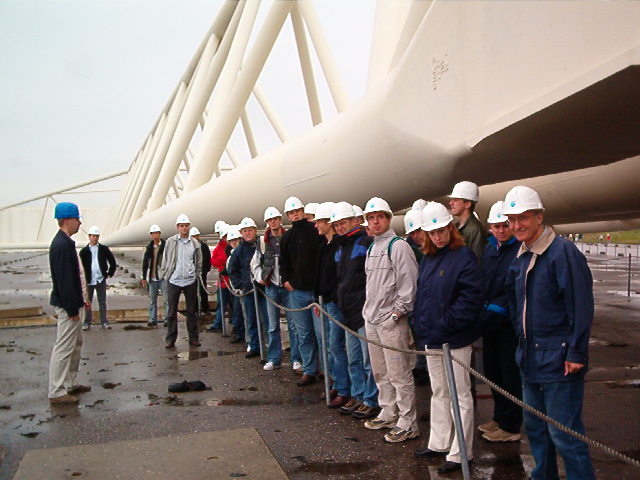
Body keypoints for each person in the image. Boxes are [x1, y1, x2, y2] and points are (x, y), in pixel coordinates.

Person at [504, 186, 596, 480]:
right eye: (512, 219)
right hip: (530, 358)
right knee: (536, 430)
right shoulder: (522, 255)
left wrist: (576, 352)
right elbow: (516, 304)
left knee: (565, 435)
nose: (516, 225)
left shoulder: (562, 253)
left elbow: (580, 305)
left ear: (539, 217)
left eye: (523, 217)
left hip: (559, 362)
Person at [413, 201, 483, 474]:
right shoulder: (429, 258)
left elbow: (470, 299)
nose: (437, 236)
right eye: (432, 233)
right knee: (440, 391)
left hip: (455, 339)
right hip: (432, 337)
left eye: (441, 230)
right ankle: (439, 442)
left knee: (460, 395)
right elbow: (423, 297)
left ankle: (461, 451)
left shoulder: (464, 257)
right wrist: (421, 325)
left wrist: (446, 324)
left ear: (450, 229)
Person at [362, 197, 419, 443]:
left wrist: (397, 313)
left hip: (391, 320)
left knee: (399, 373)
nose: (375, 222)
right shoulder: (372, 248)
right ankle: (388, 411)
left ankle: (408, 422)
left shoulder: (398, 246)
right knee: (381, 371)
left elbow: (409, 283)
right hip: (372, 319)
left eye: (380, 217)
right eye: (371, 218)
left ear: (388, 219)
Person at [330, 202, 381, 420]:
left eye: (343, 223)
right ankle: (358, 395)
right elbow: (342, 279)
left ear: (354, 221)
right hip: (347, 310)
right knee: (354, 359)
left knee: (368, 361)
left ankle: (370, 399)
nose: (340, 227)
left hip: (362, 309)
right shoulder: (341, 246)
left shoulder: (365, 242)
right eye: (337, 224)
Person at [478, 201, 523, 442]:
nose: (501, 230)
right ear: (490, 228)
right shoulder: (490, 249)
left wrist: (496, 309)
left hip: (507, 322)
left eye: (505, 225)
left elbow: (514, 288)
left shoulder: (518, 250)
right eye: (496, 226)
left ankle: (511, 425)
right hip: (490, 319)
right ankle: (499, 416)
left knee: (509, 374)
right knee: (493, 371)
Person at [48, 202, 91, 405]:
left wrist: (83, 299)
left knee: (76, 345)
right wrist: (72, 307)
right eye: (77, 219)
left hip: (74, 303)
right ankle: (56, 391)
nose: (79, 223)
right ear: (66, 220)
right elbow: (64, 280)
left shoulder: (66, 242)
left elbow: (76, 276)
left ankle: (70, 383)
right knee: (64, 348)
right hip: (69, 306)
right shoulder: (62, 245)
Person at [280, 196, 324, 386]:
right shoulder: (287, 237)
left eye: (297, 211)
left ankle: (325, 370)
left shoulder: (315, 232)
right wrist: (286, 281)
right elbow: (283, 262)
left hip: (315, 291)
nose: (295, 215)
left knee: (321, 334)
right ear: (288, 216)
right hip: (297, 292)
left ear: (303, 211)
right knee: (304, 333)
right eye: (291, 213)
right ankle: (309, 370)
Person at [251, 207, 300, 371]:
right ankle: (273, 358)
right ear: (267, 222)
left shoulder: (289, 237)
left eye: (275, 219)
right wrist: (260, 277)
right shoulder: (263, 242)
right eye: (270, 220)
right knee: (272, 326)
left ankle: (296, 358)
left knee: (293, 325)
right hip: (271, 287)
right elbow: (255, 263)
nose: (273, 222)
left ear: (280, 219)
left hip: (287, 287)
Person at [314, 202, 349, 405]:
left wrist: (333, 297)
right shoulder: (324, 246)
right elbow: (320, 276)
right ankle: (337, 382)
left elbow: (338, 276)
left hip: (334, 303)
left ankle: (343, 387)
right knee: (329, 345)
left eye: (319, 221)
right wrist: (317, 299)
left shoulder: (337, 246)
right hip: (325, 302)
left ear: (328, 222)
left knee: (336, 346)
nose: (316, 225)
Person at [158, 214, 203, 348]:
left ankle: (193, 338)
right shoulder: (171, 242)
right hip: (174, 279)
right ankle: (171, 339)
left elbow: (198, 260)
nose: (184, 228)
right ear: (178, 227)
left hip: (190, 280)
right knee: (171, 311)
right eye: (181, 226)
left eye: (186, 226)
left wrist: (197, 274)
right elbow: (165, 258)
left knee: (191, 311)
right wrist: (166, 274)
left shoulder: (194, 243)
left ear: (189, 227)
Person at [228, 217, 269, 359]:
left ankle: (269, 346)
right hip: (249, 291)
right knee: (251, 319)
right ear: (241, 233)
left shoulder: (263, 245)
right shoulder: (239, 250)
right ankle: (255, 346)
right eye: (245, 231)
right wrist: (240, 285)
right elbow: (232, 269)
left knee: (268, 319)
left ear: (255, 230)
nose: (247, 233)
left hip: (264, 289)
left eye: (250, 230)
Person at [403, 208, 428, 386]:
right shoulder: (416, 250)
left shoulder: (425, 253)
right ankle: (422, 365)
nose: (416, 236)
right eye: (412, 233)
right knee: (419, 337)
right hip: (418, 303)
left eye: (418, 231)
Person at [79, 226, 116, 330]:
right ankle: (87, 323)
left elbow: (112, 261)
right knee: (87, 302)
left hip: (100, 279)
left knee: (102, 302)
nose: (95, 238)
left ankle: (104, 322)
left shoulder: (104, 249)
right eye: (93, 236)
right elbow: (79, 266)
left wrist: (109, 273)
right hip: (89, 281)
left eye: (97, 236)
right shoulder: (84, 251)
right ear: (89, 236)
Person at [448, 181, 486, 263]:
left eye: (455, 200)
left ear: (467, 204)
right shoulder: (456, 226)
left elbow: (476, 261)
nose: (450, 203)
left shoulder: (476, 230)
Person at [141, 224, 167, 327]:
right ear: (151, 235)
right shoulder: (149, 248)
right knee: (152, 300)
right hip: (152, 278)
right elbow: (145, 263)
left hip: (163, 277)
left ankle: (167, 319)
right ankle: (152, 319)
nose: (155, 235)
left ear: (160, 234)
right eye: (153, 233)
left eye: (157, 233)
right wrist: (144, 278)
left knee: (167, 300)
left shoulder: (165, 246)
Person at [207, 222, 231, 332]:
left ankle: (235, 324)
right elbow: (214, 261)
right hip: (223, 281)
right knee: (221, 303)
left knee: (235, 306)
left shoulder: (232, 245)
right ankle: (218, 323)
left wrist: (222, 262)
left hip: (232, 281)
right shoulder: (219, 247)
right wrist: (224, 261)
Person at [224, 226, 246, 344]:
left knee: (244, 312)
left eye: (236, 240)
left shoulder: (243, 253)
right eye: (232, 241)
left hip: (244, 288)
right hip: (236, 289)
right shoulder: (231, 255)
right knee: (238, 311)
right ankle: (240, 333)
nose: (234, 242)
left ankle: (244, 335)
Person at [189, 227, 212, 317]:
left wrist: (206, 269)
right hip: (192, 273)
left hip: (202, 272)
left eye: (196, 236)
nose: (195, 238)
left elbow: (208, 257)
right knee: (193, 291)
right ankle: (194, 309)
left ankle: (205, 308)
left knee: (203, 290)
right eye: (193, 236)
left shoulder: (203, 246)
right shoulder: (188, 246)